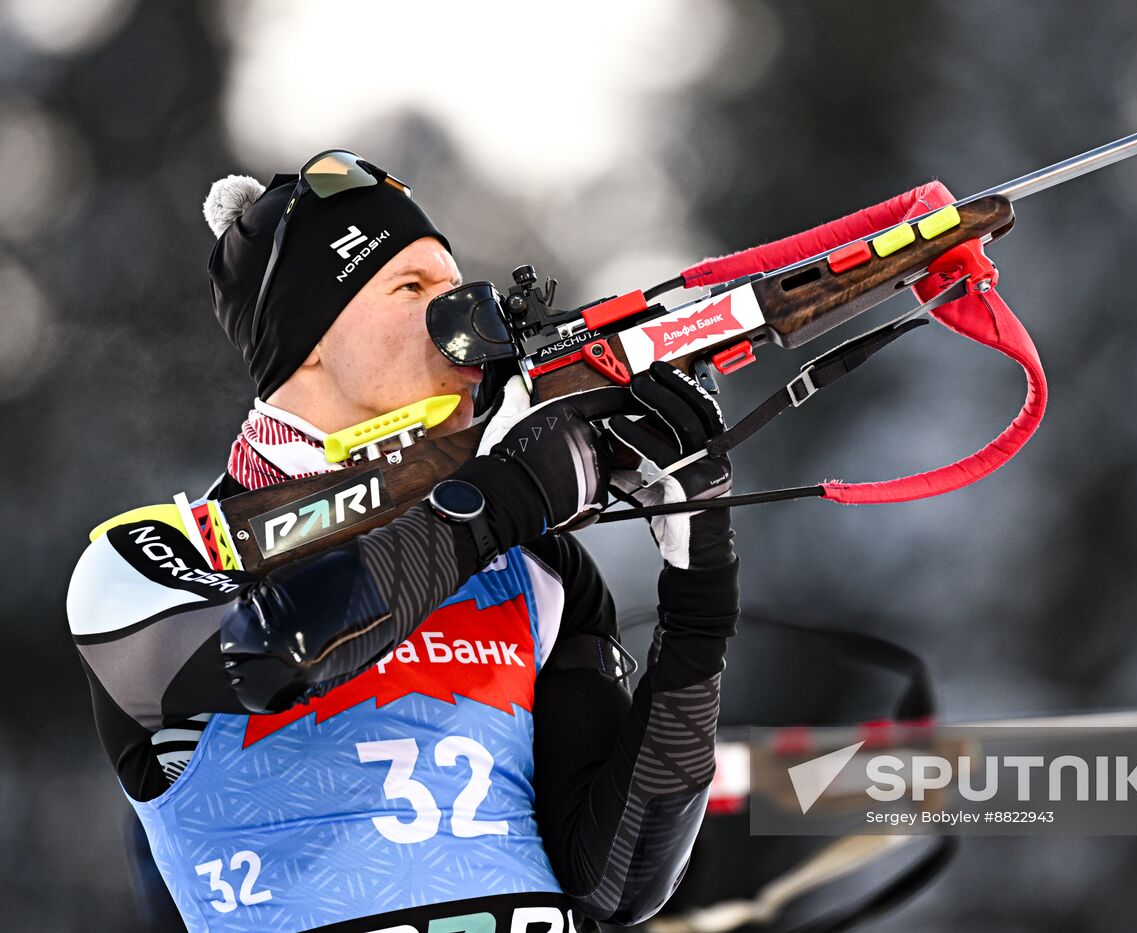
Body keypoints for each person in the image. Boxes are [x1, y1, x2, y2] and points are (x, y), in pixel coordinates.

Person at [66, 151, 741, 932]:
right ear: (309, 337)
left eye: (458, 289)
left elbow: (619, 879)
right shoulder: (154, 557)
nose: (466, 321)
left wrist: (699, 601)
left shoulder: (537, 569)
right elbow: (273, 650)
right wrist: (506, 494)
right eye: (412, 288)